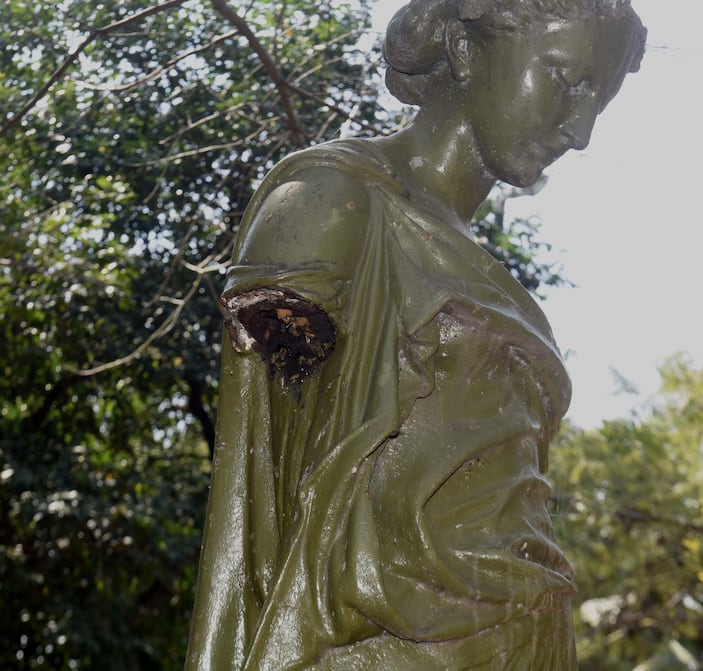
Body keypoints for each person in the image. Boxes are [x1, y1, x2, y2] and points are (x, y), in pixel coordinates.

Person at [185, 1, 646, 669]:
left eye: (598, 99)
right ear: (464, 46)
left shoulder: (514, 299)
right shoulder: (332, 206)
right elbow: (258, 500)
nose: (580, 130)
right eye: (563, 76)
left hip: (527, 643)